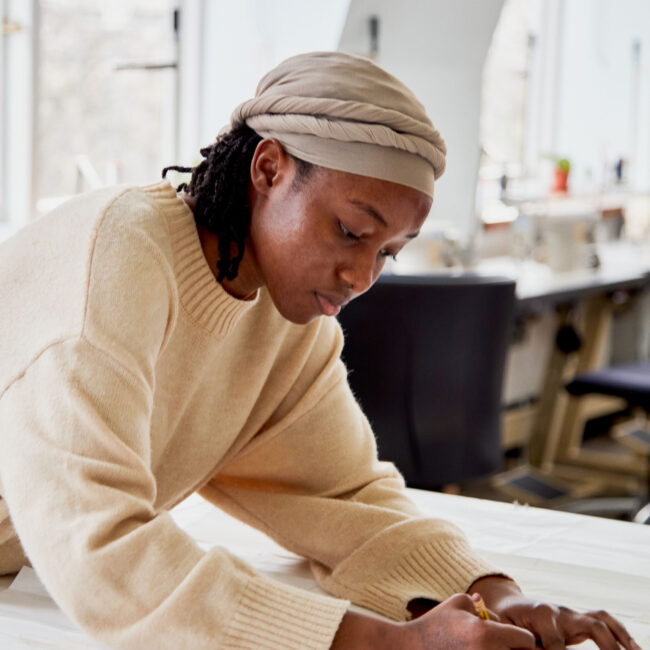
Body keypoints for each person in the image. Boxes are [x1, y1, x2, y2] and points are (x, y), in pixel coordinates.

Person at [0, 51, 640, 650]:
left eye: (388, 252)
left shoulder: (284, 321)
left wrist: (491, 594)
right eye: (350, 231)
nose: (363, 277)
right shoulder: (119, 258)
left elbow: (344, 496)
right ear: (269, 170)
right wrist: (390, 643)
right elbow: (100, 546)